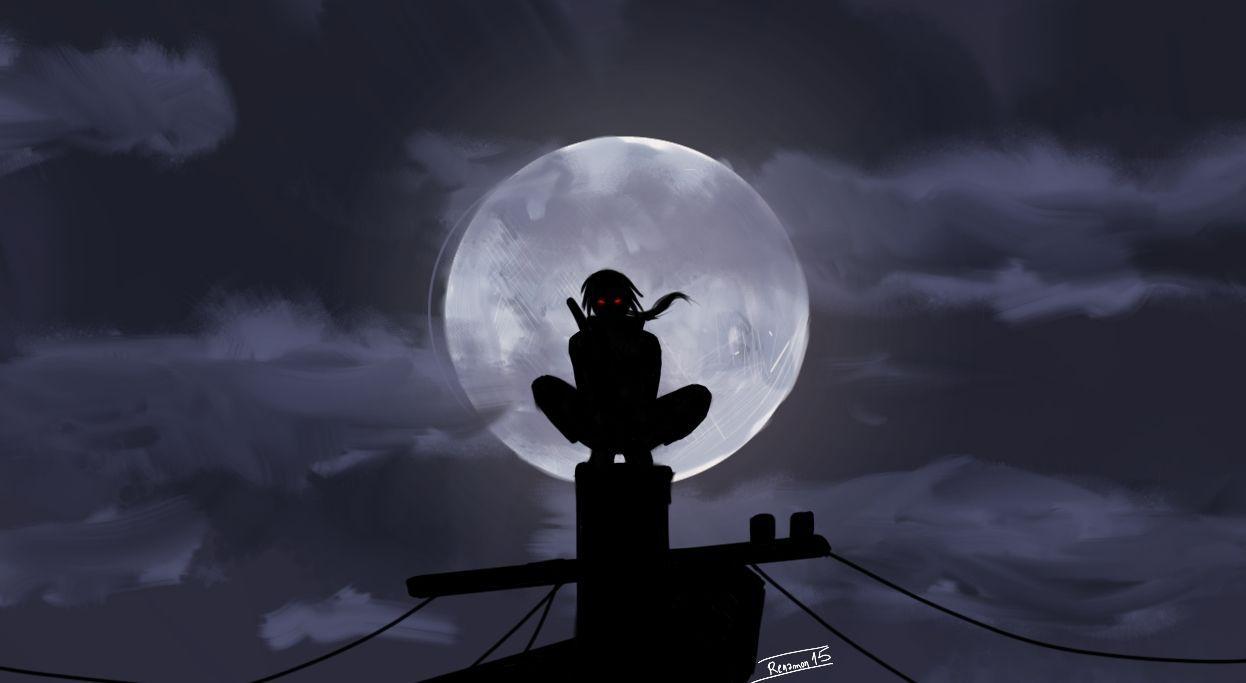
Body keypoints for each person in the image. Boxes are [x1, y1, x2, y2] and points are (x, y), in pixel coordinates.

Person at [531, 269, 712, 466]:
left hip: (640, 424)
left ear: (627, 302)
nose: (610, 308)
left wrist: (621, 358)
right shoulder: (580, 342)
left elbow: (648, 393)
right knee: (544, 387)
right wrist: (595, 353)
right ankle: (602, 452)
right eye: (602, 302)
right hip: (596, 422)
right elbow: (586, 390)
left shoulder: (647, 342)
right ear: (593, 304)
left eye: (617, 301)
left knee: (698, 396)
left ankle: (636, 451)